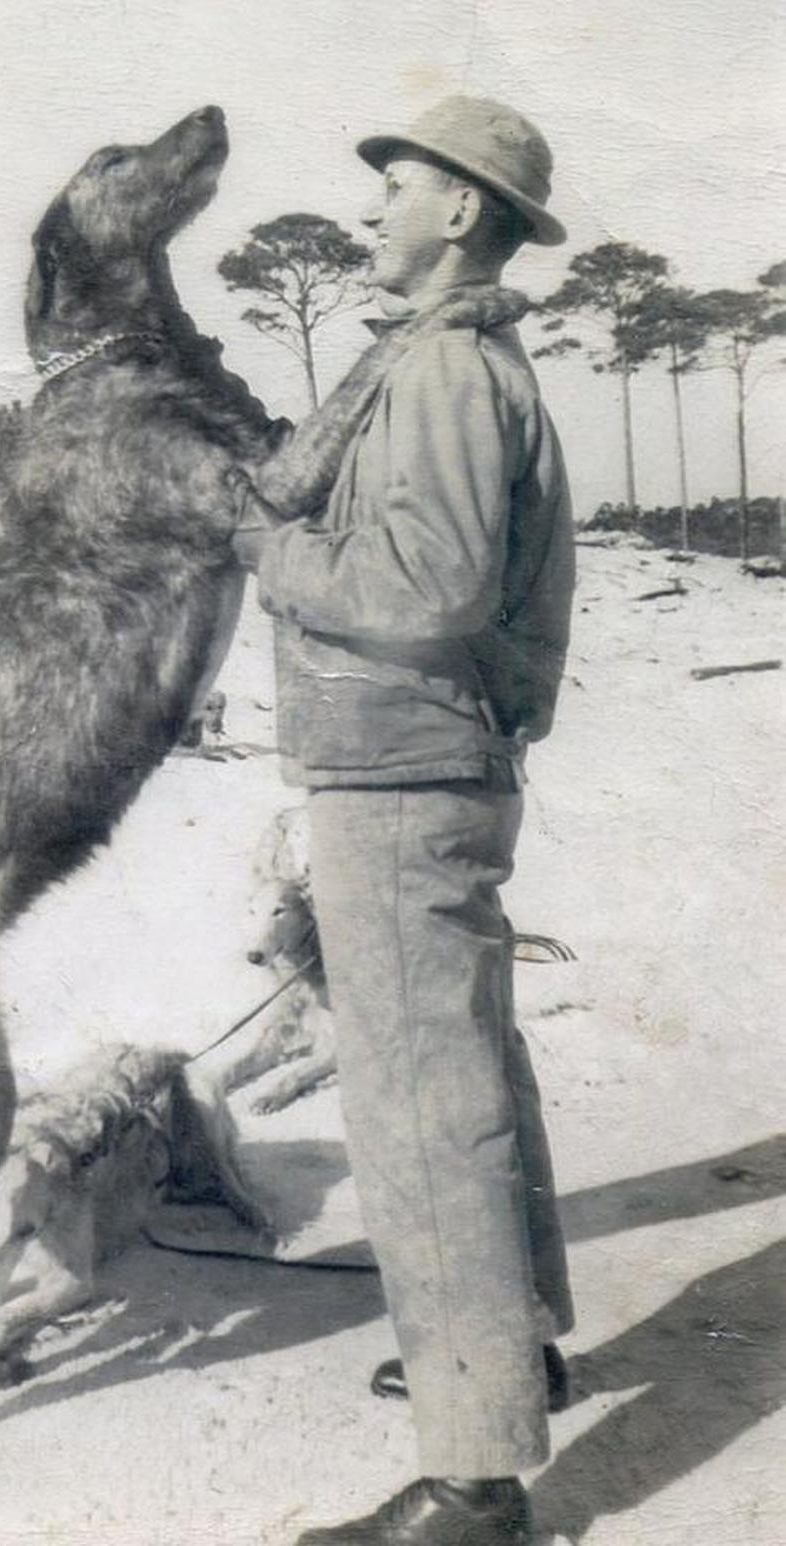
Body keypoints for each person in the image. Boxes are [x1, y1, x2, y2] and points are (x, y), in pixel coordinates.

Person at [231, 96, 577, 1545]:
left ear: (462, 213)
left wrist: (267, 549)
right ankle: (512, 1349)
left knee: (423, 1112)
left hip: (402, 772)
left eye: (399, 188)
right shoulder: (463, 358)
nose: (373, 210)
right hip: (434, 764)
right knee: (468, 1064)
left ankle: (474, 1479)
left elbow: (427, 590)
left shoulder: (438, 370)